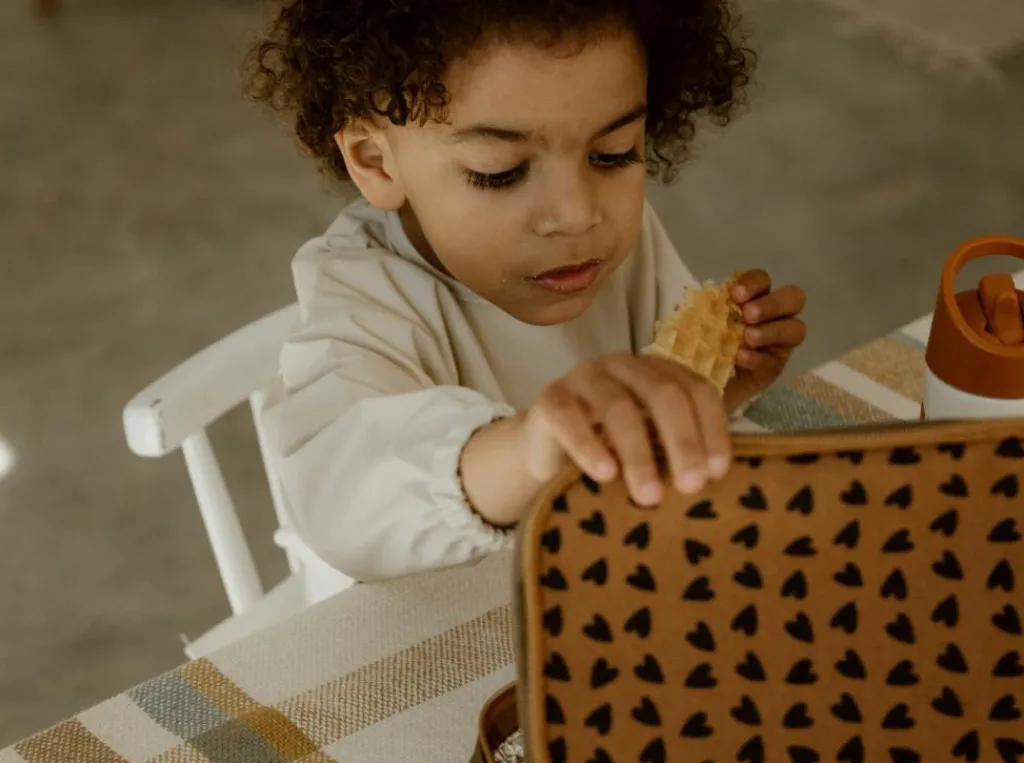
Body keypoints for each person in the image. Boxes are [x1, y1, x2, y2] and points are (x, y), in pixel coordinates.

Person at [244, 0, 807, 583]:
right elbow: (344, 501)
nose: (577, 213)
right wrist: (531, 449)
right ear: (376, 161)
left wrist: (706, 392)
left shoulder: (612, 239)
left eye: (613, 154)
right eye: (501, 171)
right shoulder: (360, 294)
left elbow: (648, 432)